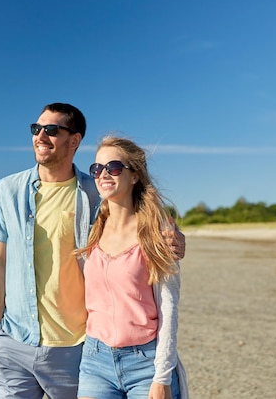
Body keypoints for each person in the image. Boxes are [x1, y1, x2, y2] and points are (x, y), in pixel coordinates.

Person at [0, 103, 186, 399]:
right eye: (36, 129)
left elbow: (137, 215)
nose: (41, 136)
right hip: (15, 342)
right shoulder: (8, 190)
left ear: (75, 140)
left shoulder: (95, 192)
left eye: (52, 130)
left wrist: (174, 236)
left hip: (74, 348)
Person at [75, 136, 189, 399]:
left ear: (135, 176)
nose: (103, 174)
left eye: (113, 167)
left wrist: (162, 376)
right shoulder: (90, 229)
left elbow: (169, 307)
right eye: (97, 169)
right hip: (95, 360)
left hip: (145, 364)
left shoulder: (157, 231)